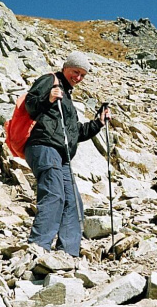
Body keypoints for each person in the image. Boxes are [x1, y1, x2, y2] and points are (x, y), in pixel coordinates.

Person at [24, 51, 111, 257]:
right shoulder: (50, 81)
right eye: (75, 72)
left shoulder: (68, 98)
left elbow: (74, 133)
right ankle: (38, 248)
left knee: (73, 202)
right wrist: (47, 99)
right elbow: (30, 105)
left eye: (83, 75)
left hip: (62, 155)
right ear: (66, 67)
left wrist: (98, 123)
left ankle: (68, 254)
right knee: (54, 194)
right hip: (43, 147)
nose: (78, 78)